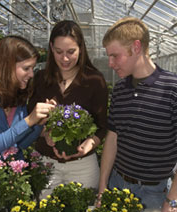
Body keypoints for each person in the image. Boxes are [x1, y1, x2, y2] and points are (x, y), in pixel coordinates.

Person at [97, 16, 177, 212]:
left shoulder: (172, 89)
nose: (110, 63)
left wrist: (171, 201)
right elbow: (113, 137)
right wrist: (102, 186)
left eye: (115, 56)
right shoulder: (119, 90)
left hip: (154, 194)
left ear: (136, 47)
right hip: (117, 184)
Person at [28, 20, 108, 198]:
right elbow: (29, 121)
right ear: (51, 48)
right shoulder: (40, 79)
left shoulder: (95, 81)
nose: (65, 59)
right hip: (46, 163)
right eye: (58, 52)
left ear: (81, 48)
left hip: (83, 166)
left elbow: (103, 126)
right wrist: (44, 132)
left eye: (71, 52)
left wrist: (90, 143)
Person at [0, 35, 56, 188]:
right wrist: (29, 121)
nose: (32, 74)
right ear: (6, 66)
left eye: (32, 68)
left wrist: (38, 124)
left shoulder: (16, 97)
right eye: (26, 68)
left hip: (13, 183)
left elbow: (19, 145)